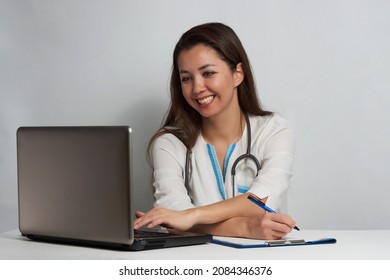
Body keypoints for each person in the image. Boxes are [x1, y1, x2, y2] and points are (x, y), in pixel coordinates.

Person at [134, 22, 297, 240]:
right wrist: (245, 228)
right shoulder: (169, 142)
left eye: (208, 73)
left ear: (238, 74)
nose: (197, 88)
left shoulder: (274, 131)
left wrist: (192, 218)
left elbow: (260, 200)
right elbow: (172, 214)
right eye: (186, 78)